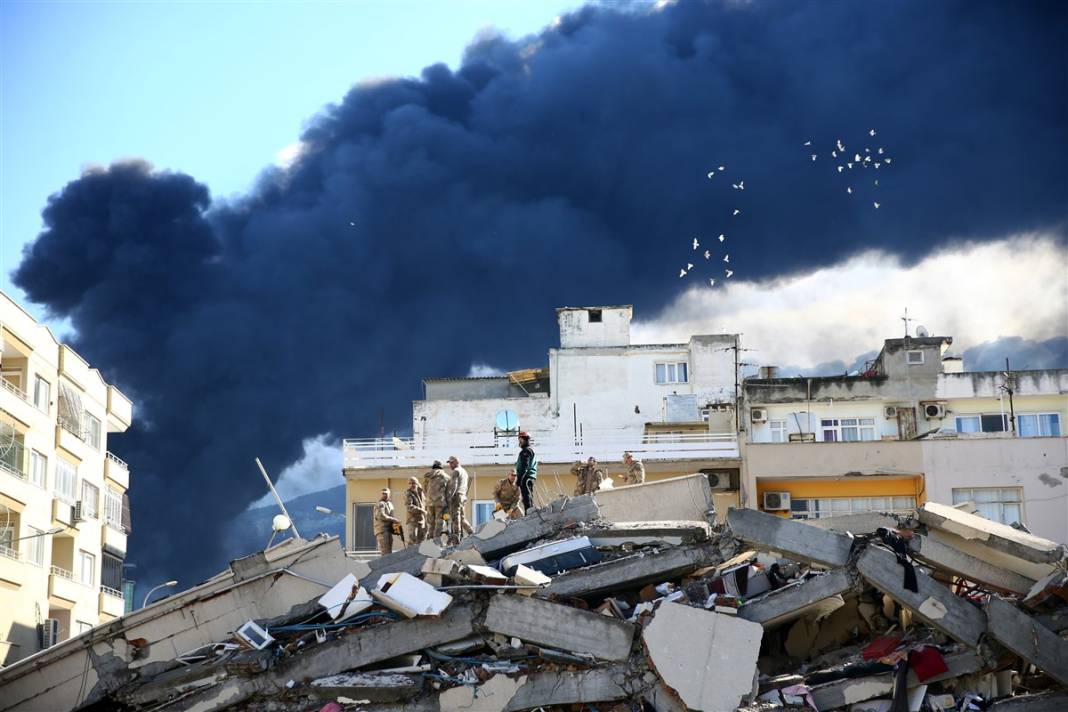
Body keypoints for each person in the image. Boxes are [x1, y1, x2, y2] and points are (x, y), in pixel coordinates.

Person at [446, 455, 473, 544]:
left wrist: (449, 497)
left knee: (455, 517)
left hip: (456, 496)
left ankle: (456, 538)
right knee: (462, 518)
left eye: (451, 463)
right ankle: (471, 532)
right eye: (449, 463)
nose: (450, 465)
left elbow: (454, 486)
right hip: (463, 496)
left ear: (456, 462)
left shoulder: (456, 471)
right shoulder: (464, 471)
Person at [423, 461, 450, 543]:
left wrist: (429, 498)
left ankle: (429, 542)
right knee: (439, 523)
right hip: (440, 503)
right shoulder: (445, 477)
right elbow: (448, 492)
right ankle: (436, 542)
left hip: (429, 503)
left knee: (431, 524)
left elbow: (424, 490)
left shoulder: (427, 476)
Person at [373, 488, 401, 556]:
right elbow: (381, 516)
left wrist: (396, 526)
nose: (384, 495)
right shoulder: (380, 504)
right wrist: (393, 519)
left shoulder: (390, 504)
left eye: (386, 493)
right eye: (383, 493)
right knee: (385, 552)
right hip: (382, 530)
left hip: (388, 530)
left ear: (389, 494)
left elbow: (391, 517)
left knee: (389, 552)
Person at [515, 431, 538, 511]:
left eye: (520, 440)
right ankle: (529, 512)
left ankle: (529, 514)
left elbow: (525, 467)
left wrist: (519, 480)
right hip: (528, 477)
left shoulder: (526, 451)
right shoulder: (529, 450)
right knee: (527, 497)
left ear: (524, 440)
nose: (519, 442)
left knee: (527, 498)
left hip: (526, 478)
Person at [404, 476, 427, 545]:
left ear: (417, 484)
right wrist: (422, 511)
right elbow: (409, 507)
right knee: (413, 540)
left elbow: (425, 503)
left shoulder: (421, 492)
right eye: (410, 483)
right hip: (413, 520)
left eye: (413, 483)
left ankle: (420, 555)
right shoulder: (408, 494)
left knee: (422, 540)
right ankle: (410, 555)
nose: (412, 485)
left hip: (422, 520)